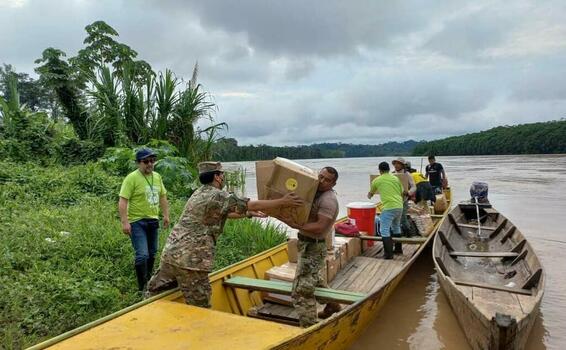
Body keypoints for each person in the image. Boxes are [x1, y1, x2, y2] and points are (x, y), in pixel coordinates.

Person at [146, 161, 303, 308]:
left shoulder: (199, 193)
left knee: (154, 293)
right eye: (222, 174)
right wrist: (283, 201)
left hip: (171, 254)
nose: (224, 177)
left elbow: (224, 212)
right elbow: (249, 203)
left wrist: (249, 214)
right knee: (200, 306)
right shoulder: (217, 195)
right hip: (192, 261)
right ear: (217, 176)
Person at [286, 167, 341, 328]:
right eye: (321, 177)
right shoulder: (313, 192)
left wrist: (296, 224)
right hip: (305, 244)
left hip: (314, 247)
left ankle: (309, 327)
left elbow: (319, 226)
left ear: (333, 183)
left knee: (302, 292)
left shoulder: (328, 200)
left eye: (327, 180)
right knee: (313, 278)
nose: (322, 181)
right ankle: (333, 305)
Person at [119, 148, 170, 291]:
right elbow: (123, 201)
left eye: (152, 161)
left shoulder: (157, 177)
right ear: (138, 163)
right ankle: (142, 288)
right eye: (146, 161)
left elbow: (163, 196)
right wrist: (125, 222)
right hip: (137, 221)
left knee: (153, 252)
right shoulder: (131, 178)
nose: (150, 164)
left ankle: (149, 280)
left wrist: (166, 215)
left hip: (153, 220)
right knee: (142, 254)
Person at [367, 162, 403, 260]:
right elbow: (401, 191)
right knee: (396, 226)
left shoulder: (377, 180)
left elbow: (371, 193)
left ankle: (388, 255)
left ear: (380, 170)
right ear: (388, 169)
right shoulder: (395, 178)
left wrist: (369, 195)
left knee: (384, 230)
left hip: (389, 207)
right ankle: (398, 250)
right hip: (399, 206)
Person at [391, 158, 416, 251]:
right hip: (394, 200)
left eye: (398, 164)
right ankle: (399, 236)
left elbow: (414, 186)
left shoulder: (407, 174)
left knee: (403, 218)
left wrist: (409, 192)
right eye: (395, 164)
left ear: (402, 165)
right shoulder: (392, 174)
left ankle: (409, 234)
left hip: (404, 199)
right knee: (395, 219)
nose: (396, 165)